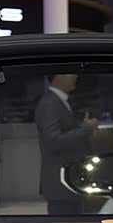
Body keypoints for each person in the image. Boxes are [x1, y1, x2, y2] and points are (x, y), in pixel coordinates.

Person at [34, 74, 99, 214]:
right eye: (71, 72)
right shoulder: (49, 103)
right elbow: (53, 141)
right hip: (60, 185)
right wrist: (86, 129)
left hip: (69, 182)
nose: (76, 76)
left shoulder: (61, 101)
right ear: (58, 75)